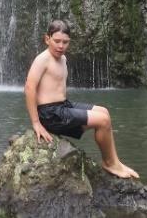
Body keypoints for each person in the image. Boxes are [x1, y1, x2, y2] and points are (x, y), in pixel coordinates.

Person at [24, 19, 139, 179]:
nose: (61, 46)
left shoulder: (63, 59)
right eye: (57, 41)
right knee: (103, 121)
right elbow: (30, 88)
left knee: (104, 112)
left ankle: (115, 161)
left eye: (65, 42)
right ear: (47, 39)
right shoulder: (42, 59)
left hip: (62, 107)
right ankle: (109, 163)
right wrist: (36, 122)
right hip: (50, 114)